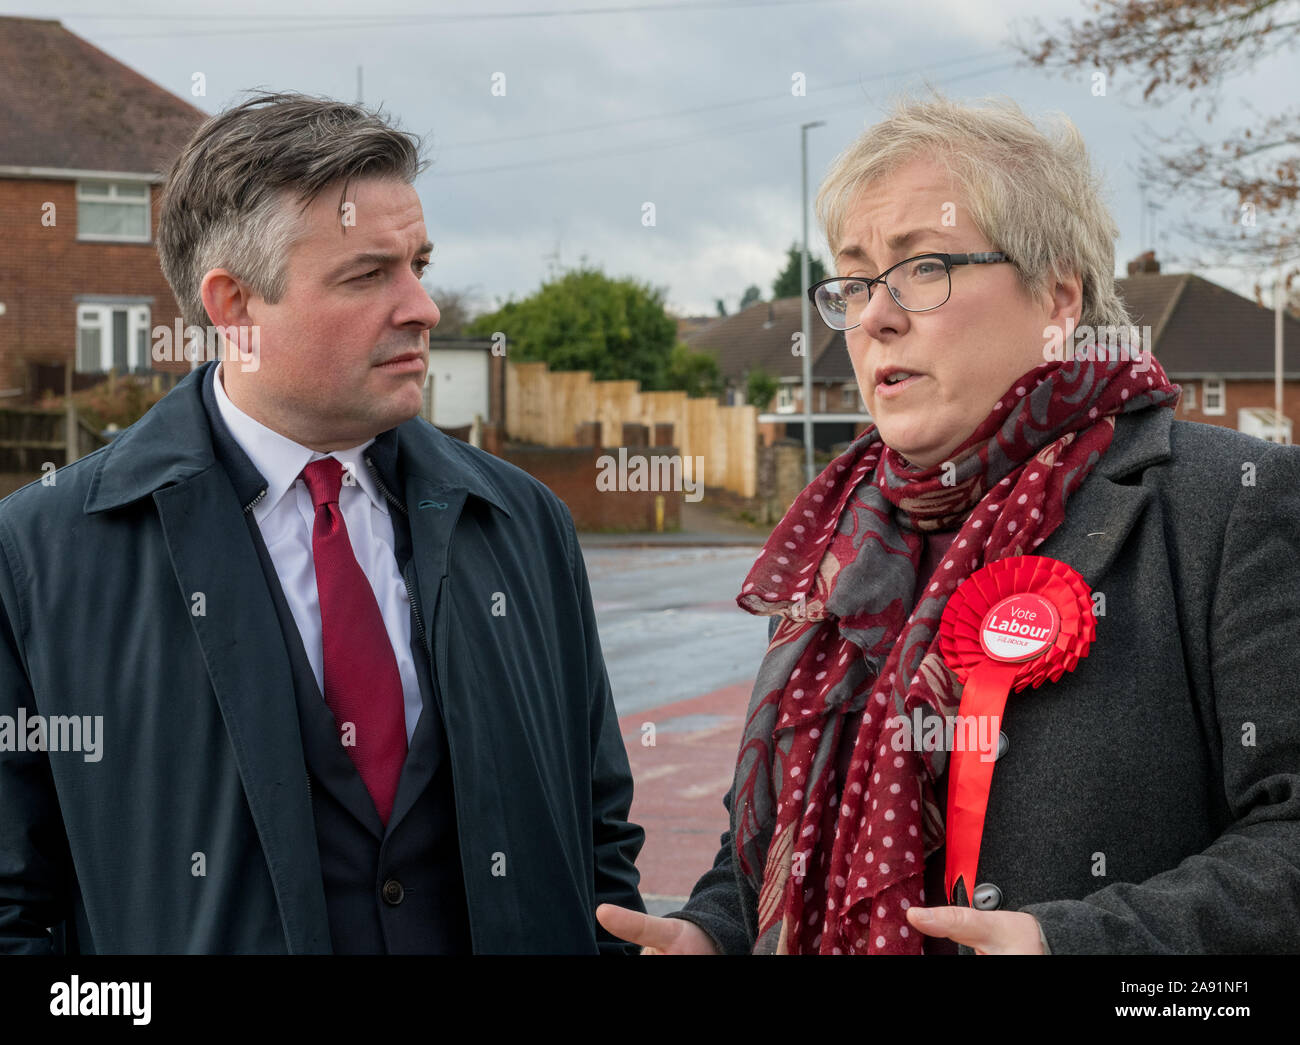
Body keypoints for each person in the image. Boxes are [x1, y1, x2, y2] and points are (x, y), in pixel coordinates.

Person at [598, 92, 1300, 955]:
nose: (876, 316)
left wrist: (1070, 947)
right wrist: (712, 931)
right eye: (854, 280)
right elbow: (778, 831)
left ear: (1058, 297)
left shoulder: (1229, 502)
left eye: (922, 268)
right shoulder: (841, 542)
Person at [0, 91, 645, 954]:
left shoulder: (522, 522)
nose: (423, 306)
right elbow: (16, 908)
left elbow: (599, 843)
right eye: (368, 274)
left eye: (418, 262)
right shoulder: (43, 554)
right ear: (233, 307)